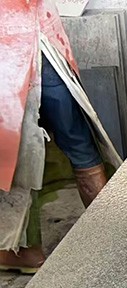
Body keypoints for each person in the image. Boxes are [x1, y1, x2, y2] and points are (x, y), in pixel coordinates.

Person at [0, 0, 108, 273]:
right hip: (43, 41)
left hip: (11, 51)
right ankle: (110, 237)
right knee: (78, 145)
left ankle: (26, 252)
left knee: (13, 156)